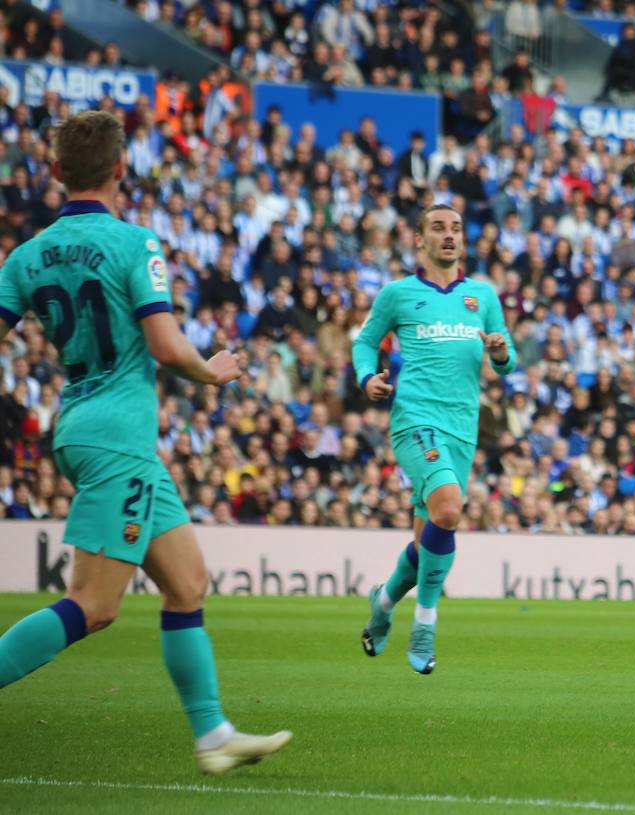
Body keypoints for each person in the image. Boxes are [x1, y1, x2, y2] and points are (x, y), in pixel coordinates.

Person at [0, 111, 290, 774]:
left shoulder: (26, 255)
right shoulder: (136, 244)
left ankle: (212, 733)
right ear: (121, 167)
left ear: (53, 172)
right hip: (119, 437)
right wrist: (208, 370)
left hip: (80, 425)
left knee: (188, 581)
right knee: (96, 605)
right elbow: (163, 343)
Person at [353, 204, 517, 675]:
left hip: (462, 428)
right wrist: (368, 377)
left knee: (430, 535)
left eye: (456, 229)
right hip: (415, 419)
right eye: (438, 229)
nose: (449, 236)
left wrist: (503, 353)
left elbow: (507, 364)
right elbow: (365, 341)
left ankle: (382, 603)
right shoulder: (398, 294)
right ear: (420, 240)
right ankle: (425, 624)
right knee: (448, 507)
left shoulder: (482, 297)